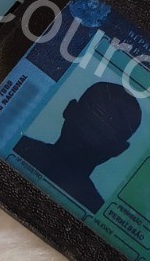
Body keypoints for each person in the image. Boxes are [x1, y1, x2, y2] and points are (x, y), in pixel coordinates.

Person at [14, 83, 142, 213]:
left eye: (103, 133)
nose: (89, 137)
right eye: (88, 122)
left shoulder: (12, 145)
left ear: (69, 109)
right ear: (118, 150)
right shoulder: (95, 211)